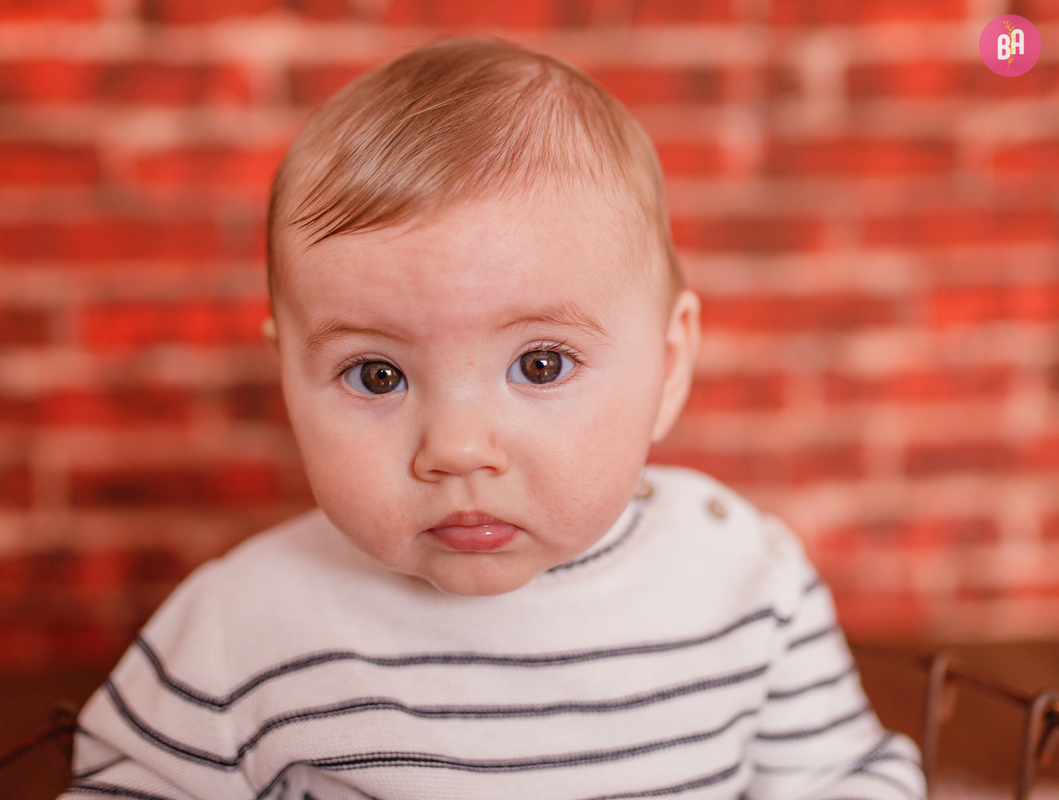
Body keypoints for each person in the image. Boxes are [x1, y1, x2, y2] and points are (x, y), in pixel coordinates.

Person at [59, 38, 925, 800]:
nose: (456, 447)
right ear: (285, 373)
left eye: (540, 365)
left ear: (668, 368)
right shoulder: (241, 625)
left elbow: (841, 778)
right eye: (376, 373)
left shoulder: (742, 579)